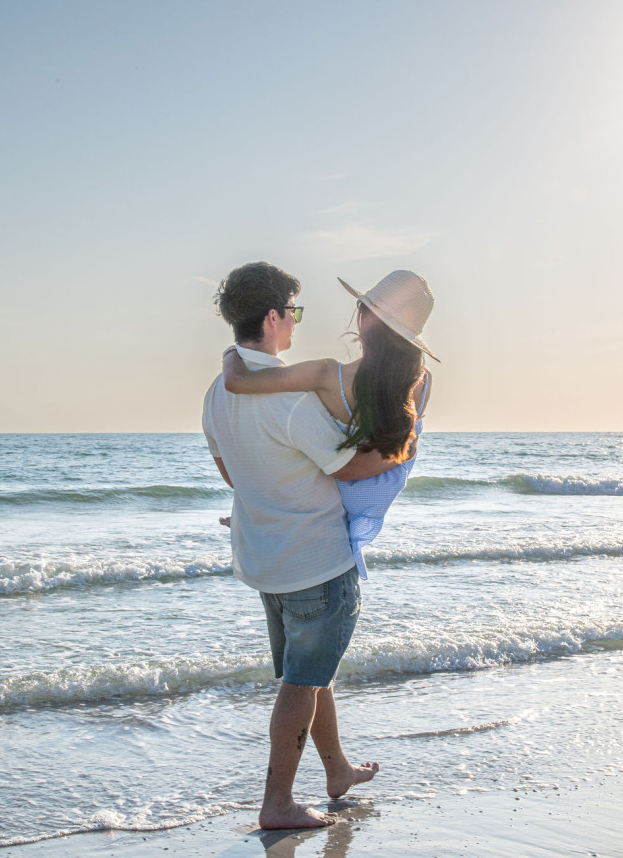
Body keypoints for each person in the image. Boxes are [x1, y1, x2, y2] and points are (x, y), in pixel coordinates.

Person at [201, 262, 406, 830]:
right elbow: (352, 470)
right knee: (303, 682)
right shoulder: (293, 399)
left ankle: (336, 769)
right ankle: (278, 804)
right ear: (272, 316)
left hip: (265, 561)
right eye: (293, 310)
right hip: (315, 563)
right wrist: (402, 448)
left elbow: (230, 474)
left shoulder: (219, 389)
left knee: (311, 671)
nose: (295, 321)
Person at [221, 270, 437, 579]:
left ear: (364, 318)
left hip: (332, 510)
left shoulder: (327, 376)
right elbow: (399, 445)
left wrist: (231, 352)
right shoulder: (423, 382)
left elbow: (237, 381)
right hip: (372, 501)